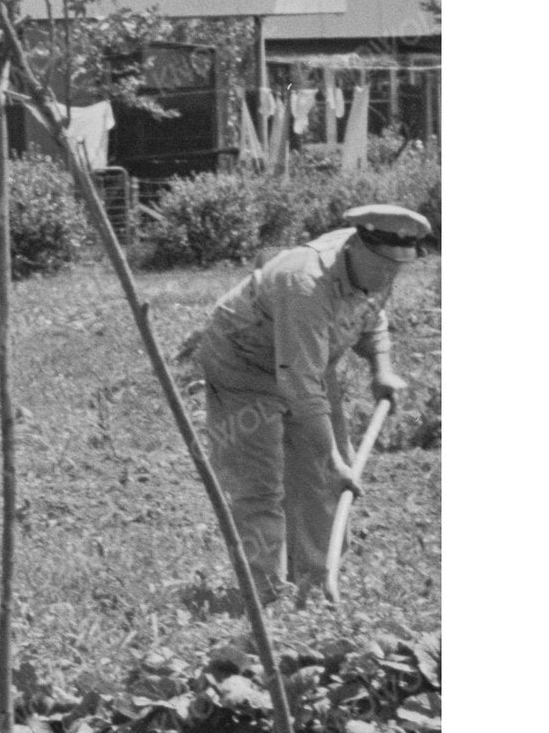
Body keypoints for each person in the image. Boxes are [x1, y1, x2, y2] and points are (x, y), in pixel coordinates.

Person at [179, 201, 433, 609]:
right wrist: (330, 459)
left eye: (397, 267)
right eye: (384, 265)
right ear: (358, 246)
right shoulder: (306, 282)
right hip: (243, 360)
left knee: (324, 475)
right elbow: (298, 385)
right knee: (260, 481)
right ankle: (262, 595)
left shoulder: (377, 266)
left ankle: (314, 589)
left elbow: (371, 314)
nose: (391, 275)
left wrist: (381, 369)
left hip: (307, 359)